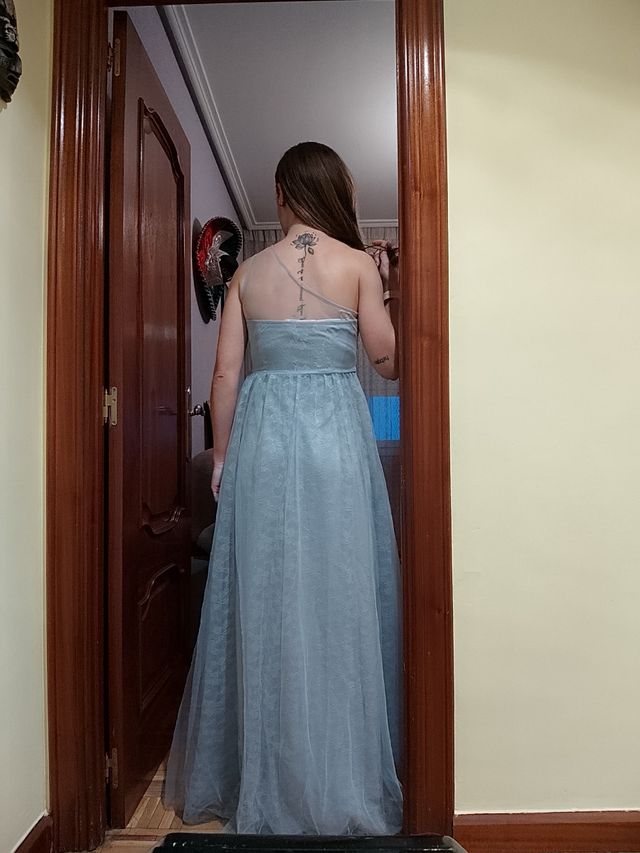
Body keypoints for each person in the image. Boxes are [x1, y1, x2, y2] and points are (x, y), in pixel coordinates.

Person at [164, 141, 402, 835]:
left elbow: (224, 377)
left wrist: (222, 458)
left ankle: (266, 773)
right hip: (336, 444)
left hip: (264, 445)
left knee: (266, 598)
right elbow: (388, 360)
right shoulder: (358, 265)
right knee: (338, 596)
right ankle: (339, 771)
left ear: (281, 194)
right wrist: (385, 288)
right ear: (336, 192)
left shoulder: (245, 274)